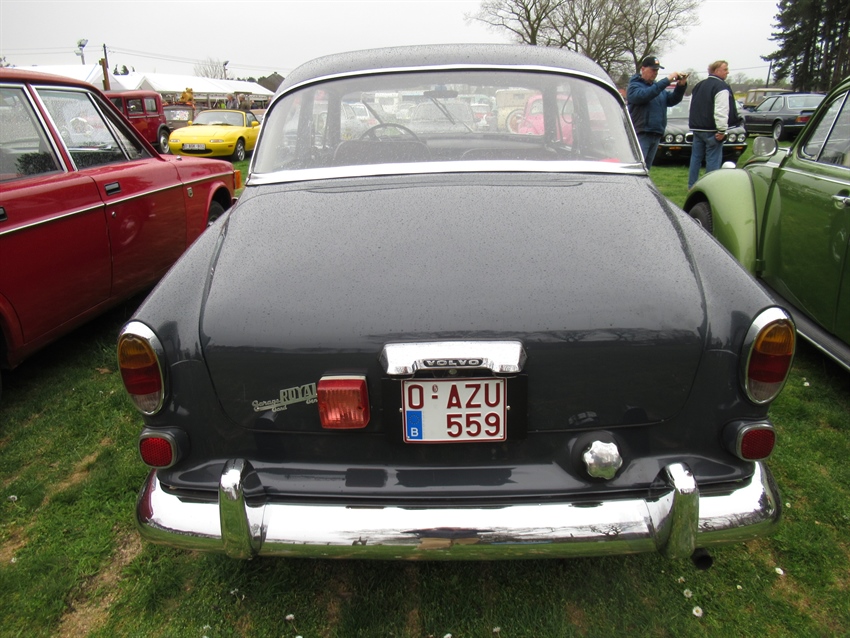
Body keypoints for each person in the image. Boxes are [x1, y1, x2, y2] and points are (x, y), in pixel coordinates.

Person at [687, 60, 741, 188]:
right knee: (713, 159)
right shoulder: (721, 87)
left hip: (697, 128)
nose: (728, 72)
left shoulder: (698, 85)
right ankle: (709, 187)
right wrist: (722, 130)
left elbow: (691, 107)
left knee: (695, 158)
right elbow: (721, 110)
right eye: (725, 69)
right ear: (717, 70)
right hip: (712, 130)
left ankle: (691, 186)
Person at [627, 56, 688, 167]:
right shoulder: (634, 86)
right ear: (643, 69)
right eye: (653, 70)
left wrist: (681, 86)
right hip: (641, 133)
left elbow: (672, 100)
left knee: (647, 168)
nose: (655, 73)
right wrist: (667, 80)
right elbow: (644, 96)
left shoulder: (657, 88)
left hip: (656, 133)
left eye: (657, 70)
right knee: (638, 166)